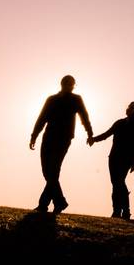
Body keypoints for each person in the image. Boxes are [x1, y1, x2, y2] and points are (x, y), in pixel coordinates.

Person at [30, 74, 93, 214]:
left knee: (53, 170)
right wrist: (34, 135)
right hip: (48, 136)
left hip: (64, 139)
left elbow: (84, 116)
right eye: (68, 84)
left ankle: (44, 204)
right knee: (47, 171)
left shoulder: (77, 99)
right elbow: (42, 118)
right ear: (62, 84)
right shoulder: (51, 99)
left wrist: (89, 133)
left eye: (72, 84)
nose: (70, 86)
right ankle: (59, 202)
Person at [89, 101, 134, 219]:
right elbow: (107, 134)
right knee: (115, 184)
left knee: (119, 182)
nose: (128, 109)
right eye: (128, 106)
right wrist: (94, 139)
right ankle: (117, 210)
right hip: (114, 158)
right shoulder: (119, 123)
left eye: (131, 108)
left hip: (126, 159)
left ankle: (125, 210)